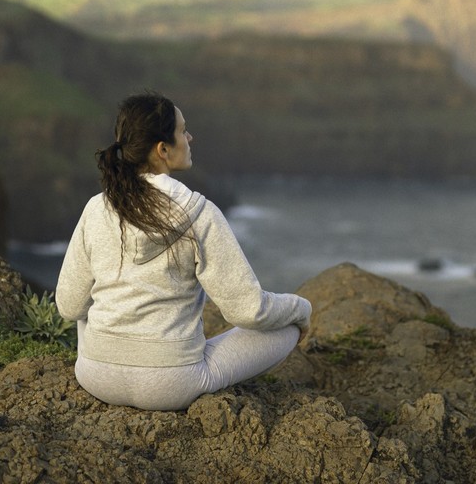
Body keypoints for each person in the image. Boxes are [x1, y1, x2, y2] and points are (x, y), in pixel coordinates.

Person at [55, 91, 312, 411]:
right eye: (182, 131)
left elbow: (68, 305)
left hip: (95, 375)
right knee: (285, 327)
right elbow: (248, 310)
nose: (190, 137)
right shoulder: (198, 213)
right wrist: (301, 309)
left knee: (87, 309)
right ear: (162, 149)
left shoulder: (96, 208)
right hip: (170, 385)